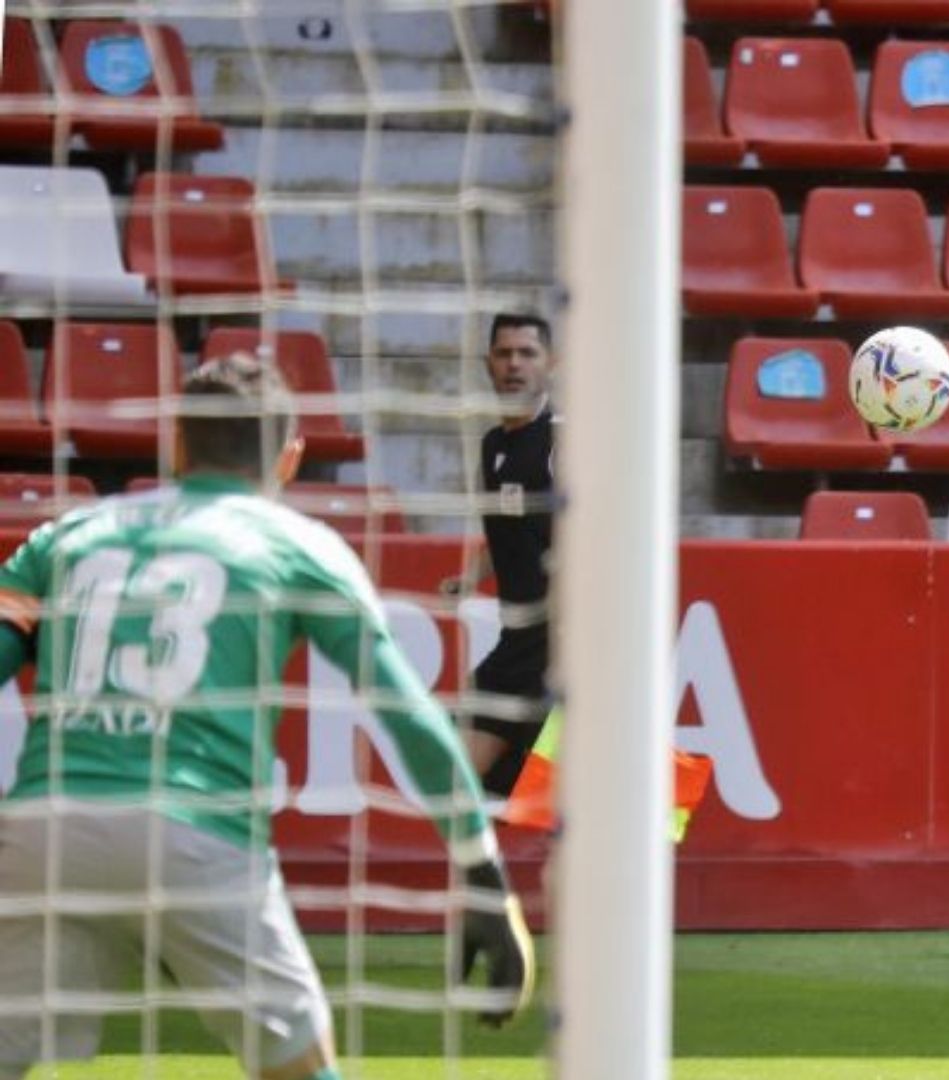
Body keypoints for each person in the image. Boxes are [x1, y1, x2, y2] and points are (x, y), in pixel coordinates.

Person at [0, 353, 535, 1080]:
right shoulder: (302, 547)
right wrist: (480, 873)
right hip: (197, 833)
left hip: (46, 830)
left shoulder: (69, 536)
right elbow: (408, 717)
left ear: (177, 446)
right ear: (291, 458)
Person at [443, 313, 557, 796]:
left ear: (551, 364)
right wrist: (473, 575)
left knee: (464, 780)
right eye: (504, 353)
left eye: (527, 353)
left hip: (560, 645)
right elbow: (517, 529)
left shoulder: (563, 440)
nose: (515, 364)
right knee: (470, 782)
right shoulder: (493, 445)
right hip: (521, 644)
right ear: (487, 363)